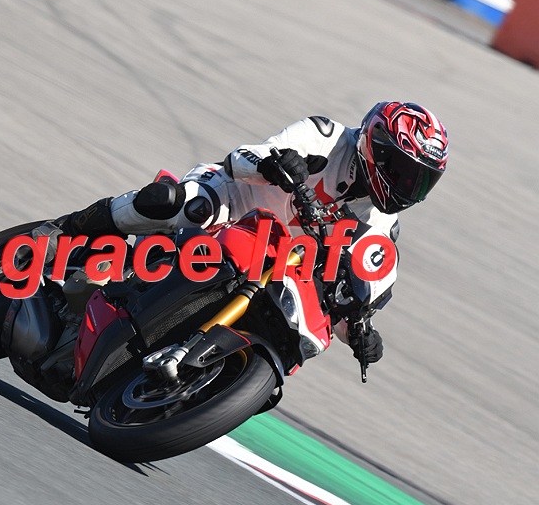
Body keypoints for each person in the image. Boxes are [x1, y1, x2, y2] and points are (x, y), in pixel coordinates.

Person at [45, 101, 449, 366]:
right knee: (176, 203)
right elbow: (240, 158)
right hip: (232, 203)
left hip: (268, 267)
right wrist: (275, 165)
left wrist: (359, 335)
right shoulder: (326, 138)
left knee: (290, 336)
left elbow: (348, 306)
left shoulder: (381, 231)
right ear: (376, 148)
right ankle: (65, 231)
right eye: (403, 173)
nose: (407, 188)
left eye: (420, 182)